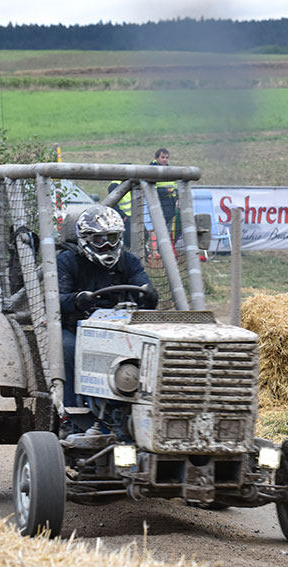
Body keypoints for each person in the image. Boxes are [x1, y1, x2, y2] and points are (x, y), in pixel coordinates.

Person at [58, 205, 158, 410]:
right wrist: (76, 300)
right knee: (67, 349)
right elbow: (55, 298)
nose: (106, 246)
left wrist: (149, 296)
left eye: (111, 238)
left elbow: (143, 288)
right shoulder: (67, 261)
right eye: (99, 240)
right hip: (75, 327)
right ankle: (70, 410)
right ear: (85, 239)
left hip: (120, 327)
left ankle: (145, 405)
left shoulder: (128, 261)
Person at [150, 147, 181, 242]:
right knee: (158, 233)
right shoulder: (151, 170)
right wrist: (165, 191)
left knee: (167, 234)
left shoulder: (169, 170)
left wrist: (177, 197)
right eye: (162, 157)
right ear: (156, 158)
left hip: (170, 206)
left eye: (167, 157)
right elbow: (151, 189)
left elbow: (175, 185)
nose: (165, 160)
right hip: (159, 206)